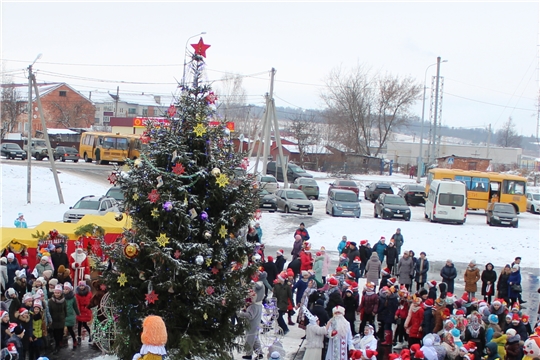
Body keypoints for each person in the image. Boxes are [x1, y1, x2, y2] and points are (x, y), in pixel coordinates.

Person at [237, 285, 263, 359]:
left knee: (250, 340)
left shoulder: (253, 306)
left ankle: (249, 354)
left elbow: (250, 316)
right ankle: (259, 353)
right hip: (256, 325)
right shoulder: (259, 305)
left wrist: (241, 313)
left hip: (252, 326)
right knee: (255, 339)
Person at [48, 284, 67, 354]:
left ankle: (58, 344)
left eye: (58, 293)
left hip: (61, 320)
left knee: (60, 334)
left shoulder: (63, 301)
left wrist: (65, 317)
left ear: (61, 293)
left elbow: (65, 309)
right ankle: (57, 346)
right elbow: (49, 311)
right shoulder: (50, 301)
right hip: (54, 320)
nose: (57, 294)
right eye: (55, 293)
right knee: (55, 334)